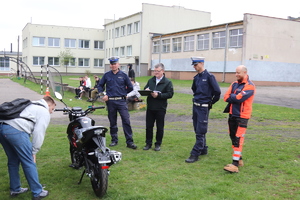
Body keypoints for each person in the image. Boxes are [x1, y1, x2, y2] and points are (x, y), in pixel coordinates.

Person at [0, 96, 56, 199]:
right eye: (52, 109)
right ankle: (37, 192)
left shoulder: (30, 105)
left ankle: (15, 189)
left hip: (2, 127)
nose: (52, 112)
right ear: (48, 105)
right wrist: (34, 151)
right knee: (28, 161)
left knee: (13, 160)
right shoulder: (43, 111)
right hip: (16, 131)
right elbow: (39, 133)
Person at [185, 57, 221, 163]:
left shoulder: (209, 77)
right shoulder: (196, 78)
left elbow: (217, 92)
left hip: (203, 107)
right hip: (195, 105)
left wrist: (210, 103)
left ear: (201, 63)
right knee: (197, 128)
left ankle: (195, 153)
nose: (194, 67)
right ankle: (203, 148)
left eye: (196, 65)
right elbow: (194, 89)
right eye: (194, 65)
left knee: (200, 130)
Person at [97, 57, 137, 149]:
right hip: (110, 101)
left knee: (126, 121)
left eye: (115, 64)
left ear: (118, 64)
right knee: (112, 121)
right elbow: (100, 85)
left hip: (121, 101)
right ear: (110, 65)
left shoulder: (123, 75)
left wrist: (123, 94)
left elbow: (130, 87)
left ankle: (129, 141)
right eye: (111, 64)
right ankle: (114, 140)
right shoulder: (106, 75)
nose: (113, 66)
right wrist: (103, 94)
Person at [223, 65, 256, 173]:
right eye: (236, 72)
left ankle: (235, 164)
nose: (236, 75)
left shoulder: (250, 86)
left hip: (242, 117)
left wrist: (234, 96)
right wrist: (235, 96)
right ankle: (239, 159)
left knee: (238, 139)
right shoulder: (234, 84)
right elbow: (225, 97)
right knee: (233, 137)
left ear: (245, 72)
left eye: (238, 73)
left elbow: (239, 98)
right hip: (232, 115)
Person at [143, 63, 174, 151]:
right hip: (150, 107)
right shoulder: (151, 80)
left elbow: (170, 94)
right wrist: (146, 90)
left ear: (162, 71)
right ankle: (148, 143)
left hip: (160, 108)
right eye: (154, 71)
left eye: (157, 71)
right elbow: (145, 88)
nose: (155, 73)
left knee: (159, 127)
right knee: (149, 126)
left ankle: (158, 144)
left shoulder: (167, 82)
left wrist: (158, 96)